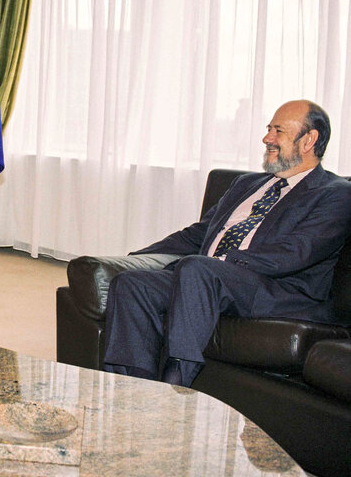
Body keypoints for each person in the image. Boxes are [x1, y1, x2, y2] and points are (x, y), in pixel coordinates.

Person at [102, 100, 351, 387]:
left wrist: (219, 263)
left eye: (278, 131)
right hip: (208, 279)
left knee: (197, 269)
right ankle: (132, 390)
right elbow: (199, 234)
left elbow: (296, 253)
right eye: (268, 129)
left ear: (308, 140)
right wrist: (137, 257)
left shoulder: (336, 194)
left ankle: (176, 386)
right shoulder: (247, 184)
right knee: (132, 284)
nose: (267, 138)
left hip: (276, 289)